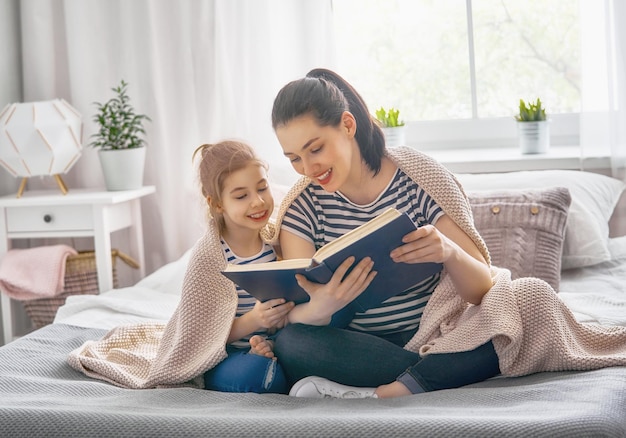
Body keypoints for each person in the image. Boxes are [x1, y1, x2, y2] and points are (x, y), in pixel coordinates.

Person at [264, 68, 626, 399]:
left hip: (440, 334)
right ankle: (430, 379)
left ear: (347, 125)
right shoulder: (301, 208)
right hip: (354, 347)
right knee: (292, 342)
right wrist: (321, 307)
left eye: (315, 149)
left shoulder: (417, 179)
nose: (308, 168)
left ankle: (394, 389)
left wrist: (449, 252)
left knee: (531, 297)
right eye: (294, 158)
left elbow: (482, 290)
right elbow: (291, 315)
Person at [68, 140, 294, 393]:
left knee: (299, 350)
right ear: (217, 204)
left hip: (275, 343)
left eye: (262, 188)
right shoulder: (209, 258)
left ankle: (275, 368)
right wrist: (254, 320)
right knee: (254, 374)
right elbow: (198, 335)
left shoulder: (276, 243)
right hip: (224, 356)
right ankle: (269, 371)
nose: (257, 202)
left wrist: (274, 327)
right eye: (241, 196)